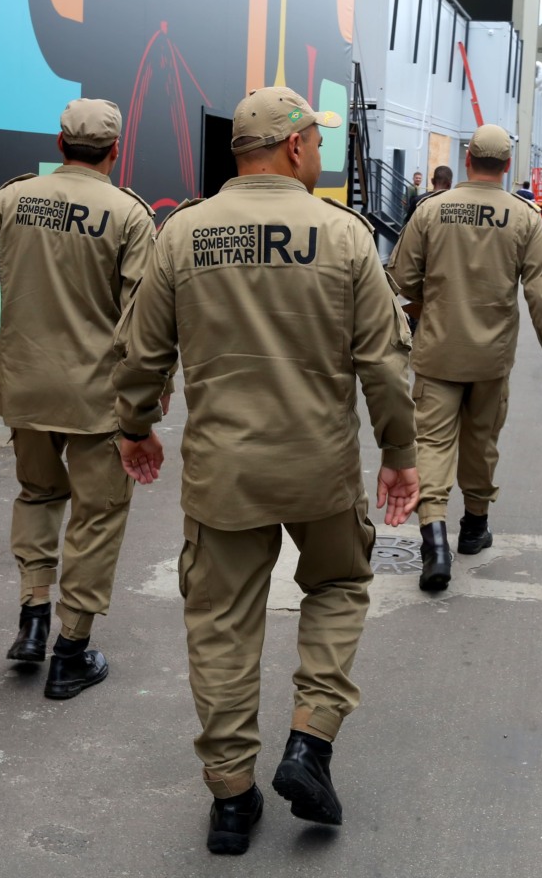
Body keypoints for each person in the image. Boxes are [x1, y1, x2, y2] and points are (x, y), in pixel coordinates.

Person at [112, 86, 419, 855]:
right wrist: (400, 455)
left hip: (224, 475)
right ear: (293, 147)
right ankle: (310, 740)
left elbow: (141, 352)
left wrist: (135, 428)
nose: (319, 156)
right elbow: (383, 363)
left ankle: (229, 798)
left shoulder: (181, 234)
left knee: (220, 624)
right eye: (316, 144)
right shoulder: (345, 237)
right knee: (341, 587)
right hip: (320, 466)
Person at [0, 98, 160, 700]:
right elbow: (146, 324)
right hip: (98, 399)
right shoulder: (131, 216)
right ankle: (71, 651)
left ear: (59, 146)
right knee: (97, 515)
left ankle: (32, 618)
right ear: (115, 151)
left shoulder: (11, 200)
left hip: (26, 389)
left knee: (36, 494)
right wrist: (146, 408)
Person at [387, 123, 542, 592]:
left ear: (468, 159)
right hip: (491, 358)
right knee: (482, 442)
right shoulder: (525, 218)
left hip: (437, 353)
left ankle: (434, 543)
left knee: (431, 443)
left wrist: (418, 314)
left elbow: (400, 280)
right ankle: (473, 526)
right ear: (507, 166)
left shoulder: (431, 211)